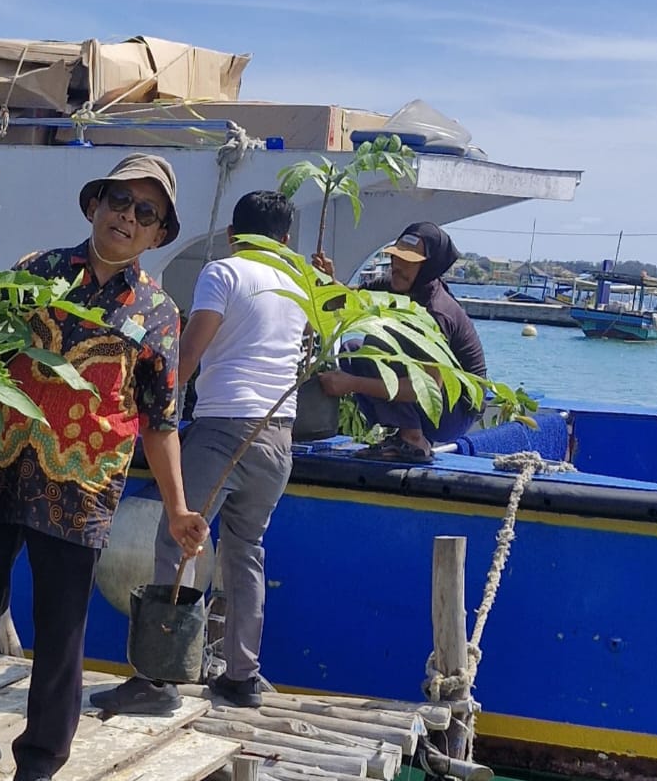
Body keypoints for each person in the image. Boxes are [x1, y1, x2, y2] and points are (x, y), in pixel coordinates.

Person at [0, 153, 209, 781]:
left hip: (82, 486)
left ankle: (40, 760)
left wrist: (178, 507)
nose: (127, 217)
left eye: (145, 212)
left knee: (60, 624)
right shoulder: (35, 272)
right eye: (118, 200)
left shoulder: (158, 313)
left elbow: (159, 420)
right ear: (94, 204)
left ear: (158, 233)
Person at [91, 191, 307, 714]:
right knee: (246, 550)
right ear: (284, 240)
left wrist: (145, 409)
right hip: (280, 436)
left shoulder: (225, 272)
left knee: (177, 539)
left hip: (223, 428)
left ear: (232, 234)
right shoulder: (300, 285)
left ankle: (158, 680)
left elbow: (187, 355)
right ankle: (242, 676)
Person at [314, 221, 487, 462]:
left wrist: (352, 383)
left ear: (429, 267)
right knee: (352, 350)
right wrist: (328, 280)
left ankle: (413, 439)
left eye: (409, 262)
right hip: (429, 398)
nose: (398, 267)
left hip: (454, 412)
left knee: (377, 346)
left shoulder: (437, 312)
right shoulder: (394, 286)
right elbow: (348, 299)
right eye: (396, 257)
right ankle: (400, 435)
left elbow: (428, 387)